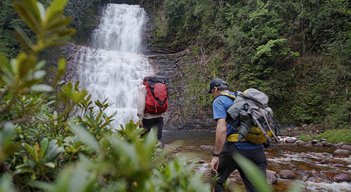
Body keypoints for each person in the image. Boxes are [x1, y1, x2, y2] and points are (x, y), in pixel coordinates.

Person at [208, 78, 267, 192]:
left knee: (217, 180)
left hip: (235, 149)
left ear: (215, 89)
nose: (212, 95)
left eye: (212, 93)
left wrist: (216, 155)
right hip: (257, 150)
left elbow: (222, 129)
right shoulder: (243, 99)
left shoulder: (220, 100)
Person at [137, 75, 168, 147]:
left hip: (147, 118)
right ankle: (161, 156)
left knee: (143, 138)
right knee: (158, 138)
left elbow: (141, 103)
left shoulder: (143, 88)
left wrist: (140, 118)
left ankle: (143, 156)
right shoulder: (162, 87)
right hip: (159, 117)